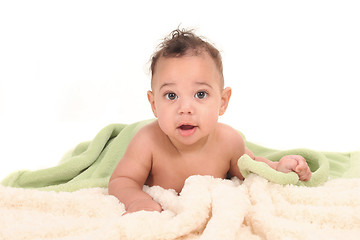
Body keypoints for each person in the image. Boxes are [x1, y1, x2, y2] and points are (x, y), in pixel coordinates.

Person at [108, 28, 311, 214]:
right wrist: (137, 201)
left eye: (200, 94)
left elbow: (251, 167)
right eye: (171, 95)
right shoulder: (147, 142)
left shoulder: (228, 141)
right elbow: (122, 180)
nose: (185, 108)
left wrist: (277, 168)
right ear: (154, 104)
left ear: (222, 102)